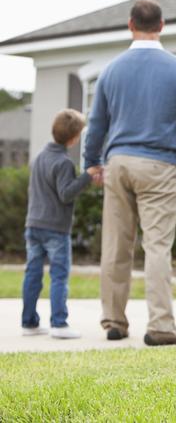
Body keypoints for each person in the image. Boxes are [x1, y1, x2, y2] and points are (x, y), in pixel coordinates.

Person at [84, 0, 176, 346]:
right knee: (157, 246)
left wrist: (91, 161)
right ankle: (161, 325)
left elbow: (96, 124)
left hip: (118, 162)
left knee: (116, 245)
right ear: (162, 26)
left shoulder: (111, 70)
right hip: (159, 164)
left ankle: (114, 322)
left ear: (130, 24)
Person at [22, 109, 101, 339]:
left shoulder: (39, 157)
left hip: (33, 224)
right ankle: (59, 322)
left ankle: (29, 322)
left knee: (32, 274)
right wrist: (87, 176)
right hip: (55, 228)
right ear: (74, 138)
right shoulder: (63, 162)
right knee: (58, 275)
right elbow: (66, 194)